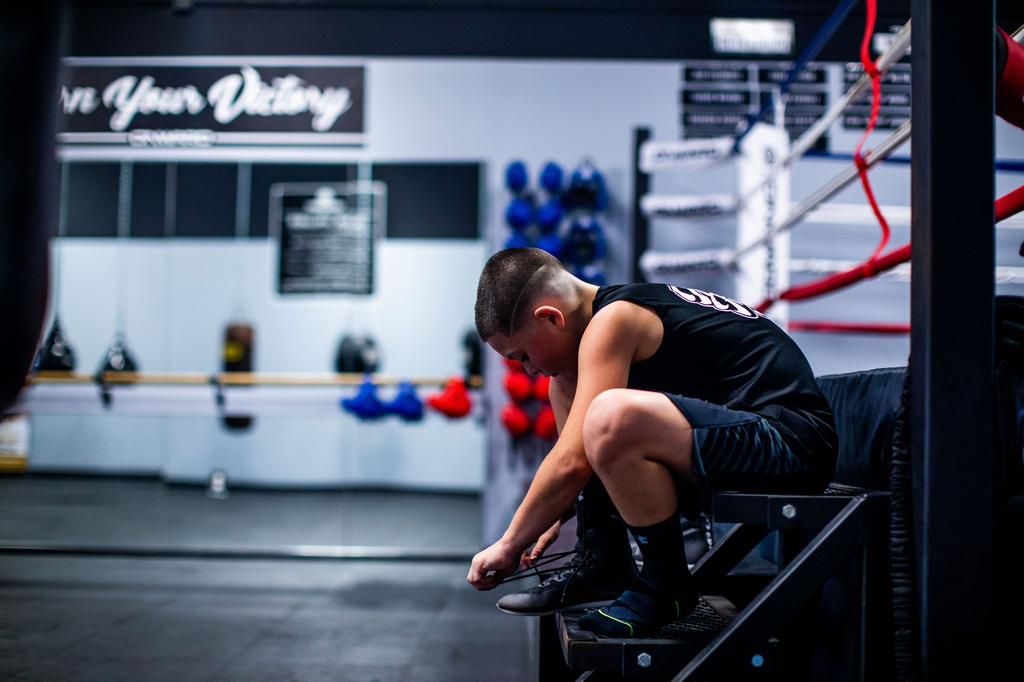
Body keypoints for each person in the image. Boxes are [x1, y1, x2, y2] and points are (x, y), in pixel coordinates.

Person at [466, 247, 837, 638]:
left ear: (550, 317)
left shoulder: (617, 318)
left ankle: (666, 584)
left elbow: (574, 459)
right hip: (740, 436)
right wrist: (562, 505)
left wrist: (510, 543)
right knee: (567, 382)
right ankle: (603, 562)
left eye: (522, 355)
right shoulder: (606, 321)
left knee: (612, 416)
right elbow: (578, 458)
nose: (528, 369)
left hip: (792, 444)